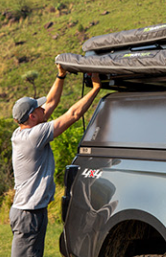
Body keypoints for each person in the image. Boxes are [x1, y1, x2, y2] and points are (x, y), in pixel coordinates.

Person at [9, 64, 101, 257]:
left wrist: (61, 76)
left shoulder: (23, 131)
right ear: (33, 116)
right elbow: (73, 115)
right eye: (39, 108)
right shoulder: (35, 136)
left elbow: (51, 103)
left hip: (30, 212)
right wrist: (96, 89)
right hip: (29, 214)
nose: (45, 108)